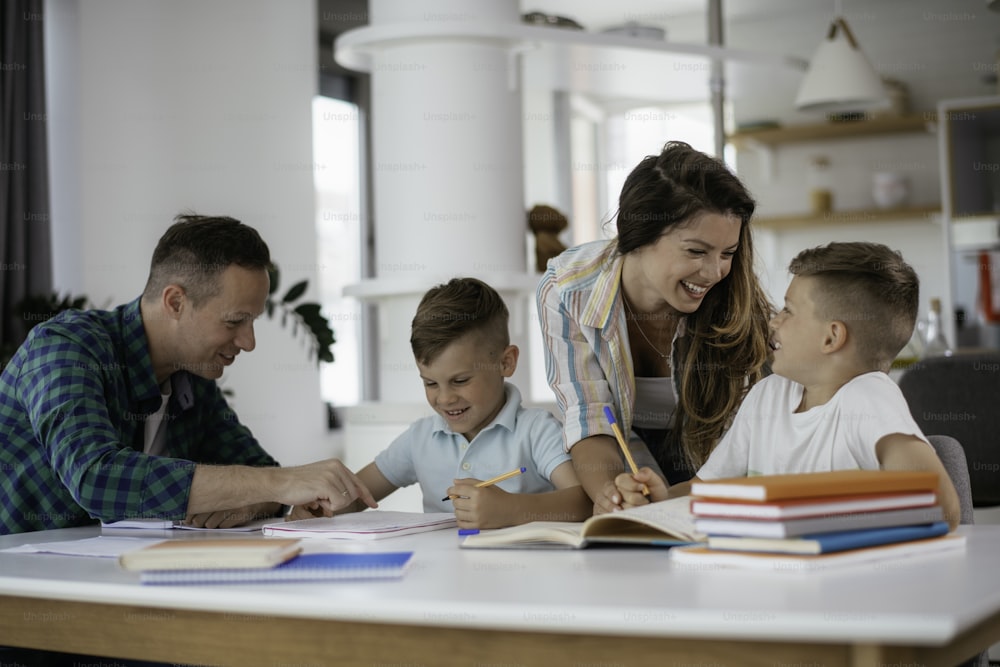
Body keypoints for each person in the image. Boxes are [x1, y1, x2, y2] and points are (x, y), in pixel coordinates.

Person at [0, 213, 376, 535]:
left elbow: (258, 474)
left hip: (110, 577)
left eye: (252, 321)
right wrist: (279, 484)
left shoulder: (192, 378)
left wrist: (251, 499)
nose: (248, 342)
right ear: (176, 302)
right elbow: (96, 477)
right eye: (235, 321)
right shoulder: (66, 347)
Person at [614, 241, 962, 529]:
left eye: (788, 310)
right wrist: (661, 499)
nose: (774, 321)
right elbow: (706, 491)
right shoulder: (767, 396)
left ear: (832, 337)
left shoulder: (867, 396)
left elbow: (942, 507)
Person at [537, 141, 773, 515]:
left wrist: (662, 506)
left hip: (719, 471)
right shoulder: (567, 290)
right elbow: (588, 416)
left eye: (727, 253)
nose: (715, 273)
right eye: (696, 251)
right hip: (624, 455)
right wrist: (616, 497)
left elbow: (740, 459)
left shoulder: (738, 305)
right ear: (637, 236)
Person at [293, 277, 590, 529]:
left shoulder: (537, 431)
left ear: (506, 362)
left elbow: (584, 500)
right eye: (430, 383)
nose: (445, 398)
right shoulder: (420, 438)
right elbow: (357, 495)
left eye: (460, 381)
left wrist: (510, 510)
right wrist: (322, 509)